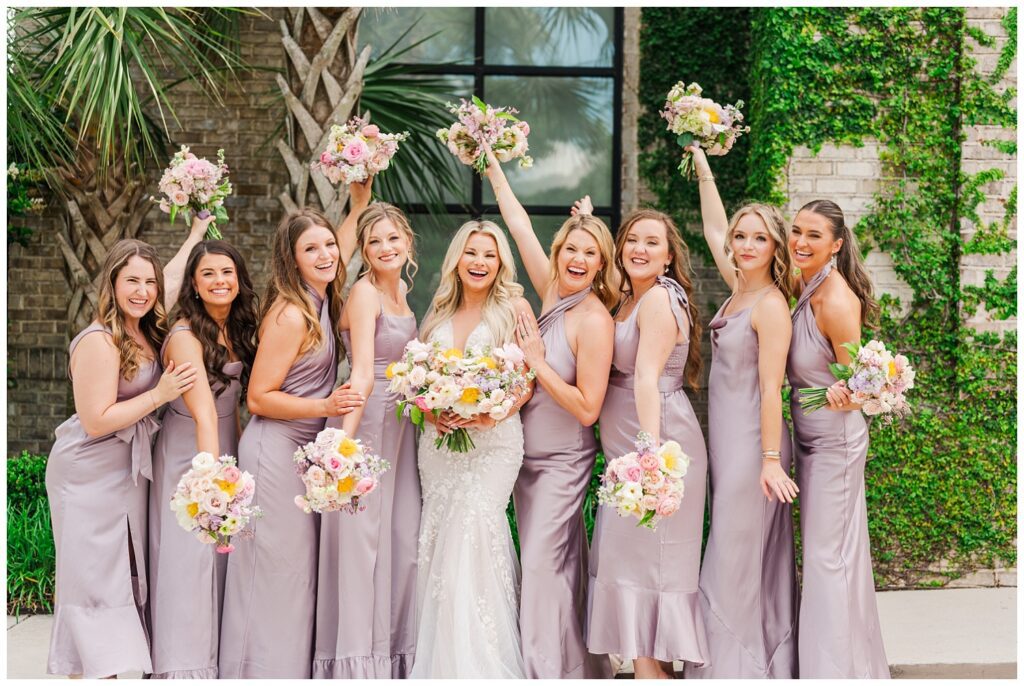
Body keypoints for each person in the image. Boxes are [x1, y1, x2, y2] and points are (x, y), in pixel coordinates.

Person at [484, 149, 615, 679]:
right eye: (571, 248)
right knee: (549, 568)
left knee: (541, 565)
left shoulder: (594, 320)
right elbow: (516, 224)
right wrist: (491, 158)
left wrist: (538, 364)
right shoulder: (548, 292)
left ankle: (544, 672)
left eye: (590, 254)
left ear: (602, 264)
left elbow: (588, 410)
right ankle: (571, 666)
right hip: (524, 459)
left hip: (563, 462)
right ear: (559, 251)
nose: (577, 259)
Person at [219, 209, 364, 678]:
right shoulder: (290, 314)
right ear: (292, 259)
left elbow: (334, 248)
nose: (324, 254)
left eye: (329, 245)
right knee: (273, 572)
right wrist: (327, 407)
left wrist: (359, 200)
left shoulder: (322, 298)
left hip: (303, 452)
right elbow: (259, 398)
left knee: (298, 575)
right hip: (274, 451)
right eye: (310, 249)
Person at [45, 239, 197, 678]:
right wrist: (160, 394)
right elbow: (96, 421)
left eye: (149, 282)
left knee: (122, 573)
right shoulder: (99, 340)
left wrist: (195, 230)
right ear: (111, 283)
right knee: (92, 580)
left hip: (125, 471)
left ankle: (112, 669)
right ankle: (89, 670)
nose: (143, 290)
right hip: (87, 472)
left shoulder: (143, 327)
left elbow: (167, 276)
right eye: (131, 280)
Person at [684, 145, 799, 678]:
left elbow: (772, 388)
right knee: (731, 548)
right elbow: (712, 228)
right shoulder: (737, 290)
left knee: (733, 553)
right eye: (741, 235)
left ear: (775, 246)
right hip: (726, 443)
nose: (746, 244)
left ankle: (731, 667)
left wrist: (771, 459)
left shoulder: (771, 305)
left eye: (759, 237)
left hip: (757, 446)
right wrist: (703, 165)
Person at [586, 209, 710, 679]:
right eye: (632, 240)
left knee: (651, 554)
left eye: (652, 242)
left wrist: (650, 458)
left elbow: (644, 376)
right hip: (631, 440)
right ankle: (645, 664)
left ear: (669, 256)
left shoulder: (657, 299)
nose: (640, 248)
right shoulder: (627, 296)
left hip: (657, 441)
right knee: (629, 553)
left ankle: (649, 670)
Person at [409, 220, 535, 678]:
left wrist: (489, 414)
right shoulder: (437, 314)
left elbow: (526, 378)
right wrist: (430, 410)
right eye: (471, 253)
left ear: (501, 261)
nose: (480, 262)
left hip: (494, 443)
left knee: (473, 530)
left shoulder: (514, 308)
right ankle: (442, 660)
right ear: (457, 260)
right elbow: (417, 384)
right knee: (441, 536)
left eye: (489, 254)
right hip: (439, 446)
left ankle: (481, 664)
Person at [314, 180, 421, 678]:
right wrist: (344, 447)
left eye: (393, 239)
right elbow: (359, 370)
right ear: (363, 248)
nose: (385, 248)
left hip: (402, 424)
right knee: (362, 540)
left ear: (407, 243)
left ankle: (393, 653)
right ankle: (357, 661)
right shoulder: (362, 293)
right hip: (370, 417)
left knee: (400, 536)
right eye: (374, 240)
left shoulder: (403, 295)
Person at [148, 237, 258, 678]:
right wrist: (214, 487)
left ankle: (215, 665)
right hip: (190, 459)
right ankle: (182, 669)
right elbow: (205, 417)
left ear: (238, 280)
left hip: (223, 450)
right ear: (193, 284)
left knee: (219, 563)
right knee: (188, 563)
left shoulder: (240, 326)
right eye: (208, 273)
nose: (219, 280)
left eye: (227, 272)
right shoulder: (183, 336)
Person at [788, 199, 889, 678]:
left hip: (837, 444)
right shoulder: (803, 284)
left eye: (813, 235)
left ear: (836, 244)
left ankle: (831, 674)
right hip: (809, 440)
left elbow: (868, 393)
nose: (800, 242)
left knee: (828, 558)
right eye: (796, 231)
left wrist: (842, 395)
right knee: (827, 554)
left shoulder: (837, 300)